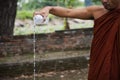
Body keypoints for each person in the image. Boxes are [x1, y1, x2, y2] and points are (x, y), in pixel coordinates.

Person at [34, 0, 120, 80]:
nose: (104, 1)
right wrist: (49, 8)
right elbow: (68, 12)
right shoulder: (97, 12)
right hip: (100, 60)